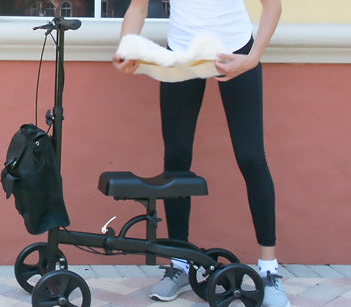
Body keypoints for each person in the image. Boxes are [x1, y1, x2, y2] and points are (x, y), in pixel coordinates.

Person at [112, 0, 289, 306]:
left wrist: (253, 58)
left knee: (250, 156)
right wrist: (124, 50)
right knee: (177, 157)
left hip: (237, 50)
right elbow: (138, 8)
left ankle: (270, 271)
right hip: (181, 54)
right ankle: (179, 265)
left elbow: (273, 6)